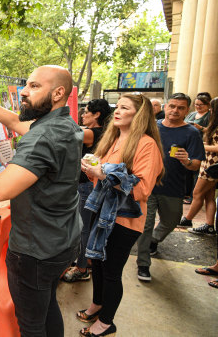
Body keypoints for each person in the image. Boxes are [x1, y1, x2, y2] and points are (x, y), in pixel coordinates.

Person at [0, 65, 83, 336]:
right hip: (63, 241)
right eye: (26, 85)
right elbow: (17, 123)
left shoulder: (43, 137)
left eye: (34, 86)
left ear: (58, 93)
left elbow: (0, 189)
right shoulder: (65, 124)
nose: (24, 92)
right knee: (48, 306)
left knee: (31, 325)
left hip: (35, 251)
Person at [77, 94, 163, 336]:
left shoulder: (147, 145)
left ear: (138, 115)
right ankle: (97, 305)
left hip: (124, 219)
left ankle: (106, 323)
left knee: (112, 270)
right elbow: (100, 174)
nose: (116, 111)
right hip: (99, 210)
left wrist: (103, 174)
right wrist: (92, 170)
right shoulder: (112, 137)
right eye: (118, 106)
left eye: (124, 108)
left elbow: (143, 188)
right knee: (97, 264)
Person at [136, 92, 205, 281]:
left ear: (187, 111)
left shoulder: (191, 132)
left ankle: (154, 240)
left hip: (173, 187)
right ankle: (143, 264)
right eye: (172, 106)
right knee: (146, 225)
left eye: (180, 107)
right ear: (166, 107)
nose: (175, 110)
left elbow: (196, 164)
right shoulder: (152, 128)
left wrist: (187, 161)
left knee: (171, 221)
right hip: (148, 185)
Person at [63, 98, 112, 283]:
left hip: (85, 186)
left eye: (86, 112)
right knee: (88, 226)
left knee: (83, 228)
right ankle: (87, 260)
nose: (83, 115)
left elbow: (68, 135)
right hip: (91, 184)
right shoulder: (105, 132)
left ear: (97, 114)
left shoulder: (92, 133)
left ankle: (82, 268)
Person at [180, 97, 218, 235]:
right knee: (209, 196)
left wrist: (203, 146)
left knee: (197, 193)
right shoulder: (213, 124)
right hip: (208, 163)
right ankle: (209, 225)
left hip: (211, 165)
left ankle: (187, 219)